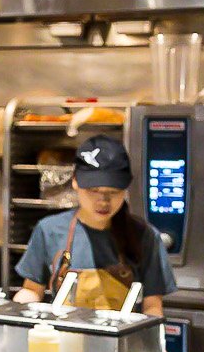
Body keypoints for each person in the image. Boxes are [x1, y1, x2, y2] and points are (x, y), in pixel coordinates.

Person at [13, 134, 173, 316]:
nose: (103, 201)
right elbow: (32, 290)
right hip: (64, 340)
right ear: (74, 181)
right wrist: (16, 312)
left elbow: (152, 305)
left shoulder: (145, 235)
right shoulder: (49, 230)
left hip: (121, 343)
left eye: (113, 192)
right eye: (93, 190)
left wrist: (152, 341)